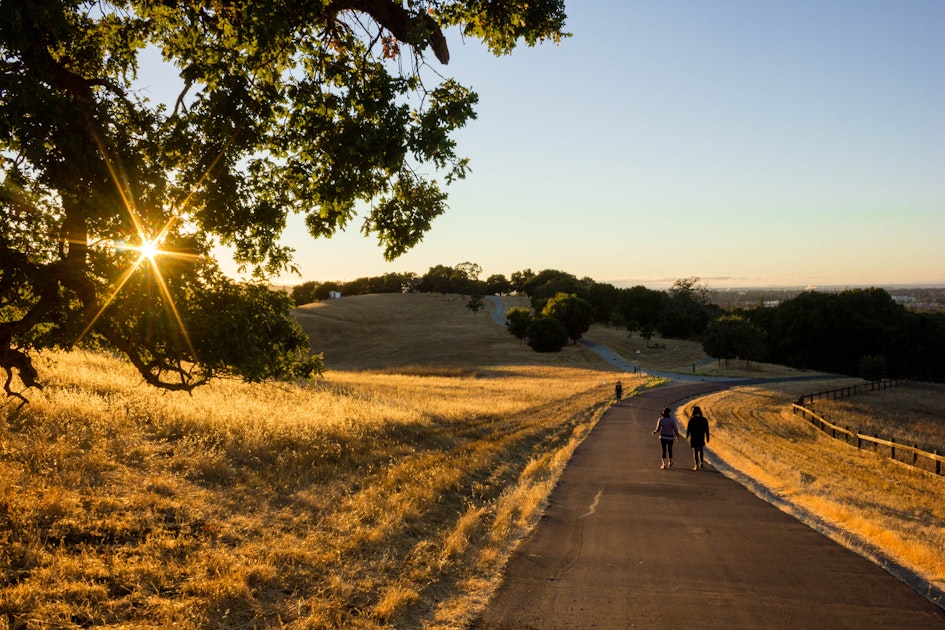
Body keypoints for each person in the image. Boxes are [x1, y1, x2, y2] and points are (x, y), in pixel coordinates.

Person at [686, 405, 710, 470]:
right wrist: (708, 438)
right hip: (701, 436)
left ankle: (696, 465)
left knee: (695, 451)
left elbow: (688, 429)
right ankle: (702, 463)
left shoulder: (691, 419)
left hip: (694, 437)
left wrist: (687, 436)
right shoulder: (704, 420)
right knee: (701, 450)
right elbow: (707, 429)